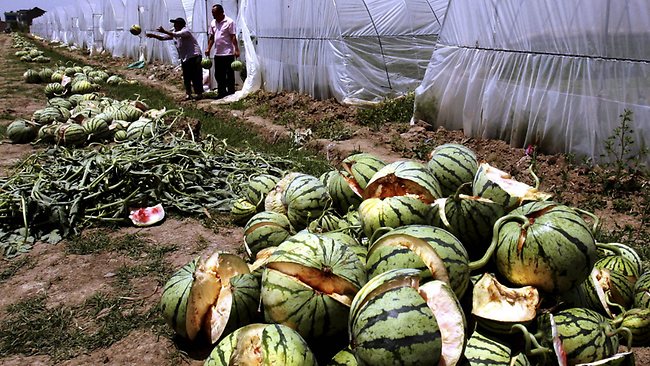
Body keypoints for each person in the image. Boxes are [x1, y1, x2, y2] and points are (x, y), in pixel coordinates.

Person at [147, 18, 203, 101]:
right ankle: (189, 94)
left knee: (196, 76)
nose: (174, 26)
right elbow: (163, 38)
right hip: (185, 57)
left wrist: (164, 31)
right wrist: (153, 35)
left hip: (194, 56)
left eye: (175, 24)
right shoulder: (175, 34)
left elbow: (176, 34)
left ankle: (199, 94)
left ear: (181, 25)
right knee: (187, 76)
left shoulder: (186, 31)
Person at [205, 4, 240, 99]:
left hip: (228, 53)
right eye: (212, 13)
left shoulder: (229, 22)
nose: (213, 15)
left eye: (215, 13)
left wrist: (236, 49)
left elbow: (233, 36)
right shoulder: (213, 23)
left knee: (229, 74)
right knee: (218, 74)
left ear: (221, 12)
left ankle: (231, 92)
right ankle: (221, 92)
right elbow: (212, 37)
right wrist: (208, 48)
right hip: (218, 53)